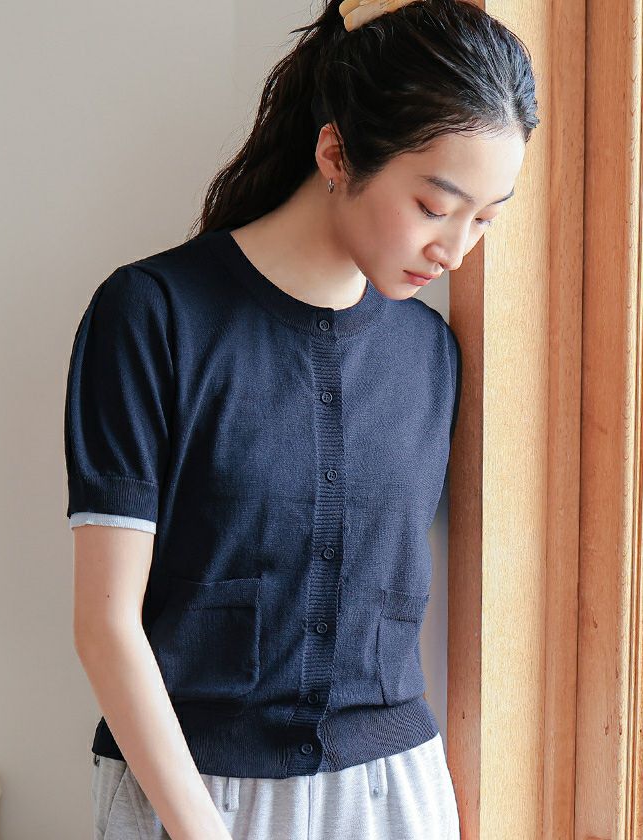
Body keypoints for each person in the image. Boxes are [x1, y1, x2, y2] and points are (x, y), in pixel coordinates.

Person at [65, 0, 538, 837]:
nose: (456, 249)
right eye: (435, 207)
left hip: (394, 799)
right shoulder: (153, 315)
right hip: (194, 792)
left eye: (486, 218)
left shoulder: (431, 354)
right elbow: (106, 626)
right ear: (335, 154)